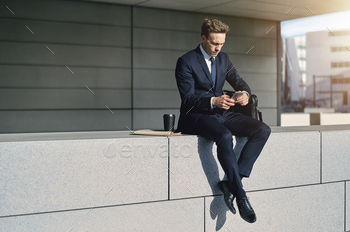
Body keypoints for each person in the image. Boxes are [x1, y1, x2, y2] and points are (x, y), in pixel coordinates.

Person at [175, 18, 271, 223]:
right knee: (225, 135)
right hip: (197, 115)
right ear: (203, 38)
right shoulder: (186, 61)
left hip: (221, 112)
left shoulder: (224, 59)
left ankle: (230, 183)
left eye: (221, 44)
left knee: (262, 130)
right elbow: (188, 100)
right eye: (214, 43)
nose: (218, 48)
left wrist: (244, 93)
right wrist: (213, 101)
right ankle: (241, 196)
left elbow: (239, 81)